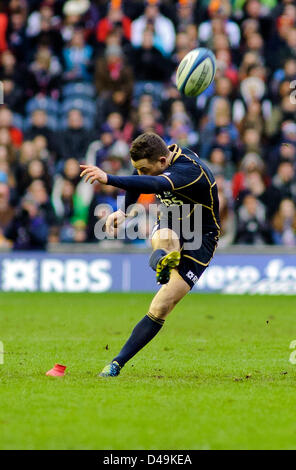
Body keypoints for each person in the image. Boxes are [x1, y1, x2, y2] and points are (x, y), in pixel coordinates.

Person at [80, 132, 220, 377]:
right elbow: (141, 177)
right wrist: (124, 212)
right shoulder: (159, 157)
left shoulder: (190, 171)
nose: (141, 173)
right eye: (139, 169)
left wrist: (108, 178)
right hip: (172, 219)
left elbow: (154, 184)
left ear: (163, 163)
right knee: (166, 239)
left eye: (145, 169)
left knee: (163, 305)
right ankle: (115, 364)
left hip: (202, 234)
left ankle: (163, 263)